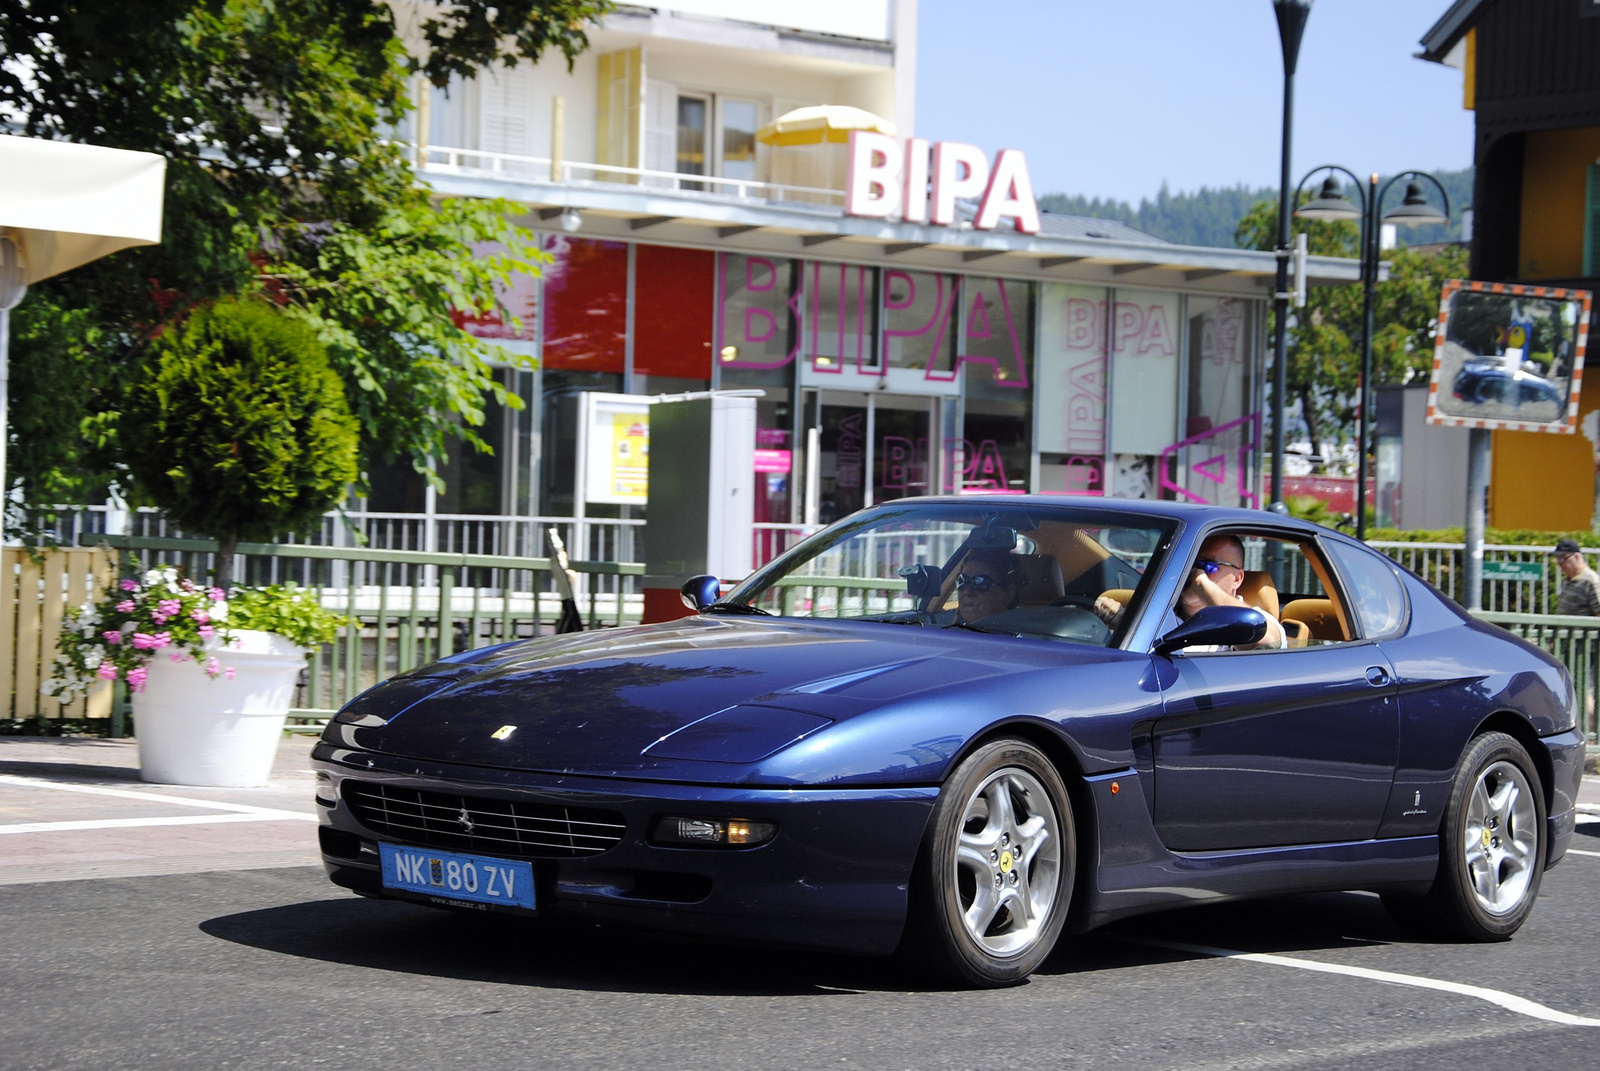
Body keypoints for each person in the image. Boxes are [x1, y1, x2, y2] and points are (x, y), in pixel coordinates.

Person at [1094, 533, 1285, 650]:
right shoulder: (1157, 615)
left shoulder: (1255, 619)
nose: (1194, 572)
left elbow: (1267, 641)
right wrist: (1124, 623)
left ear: (1237, 578)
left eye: (1209, 566)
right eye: (1190, 564)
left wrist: (1201, 584)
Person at [953, 547, 1021, 625]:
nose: (967, 591)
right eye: (962, 581)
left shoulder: (1021, 635)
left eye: (981, 583)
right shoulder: (948, 631)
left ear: (1009, 593)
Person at [1553, 538, 1600, 616]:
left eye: (1563, 559)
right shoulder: (1567, 581)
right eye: (1558, 560)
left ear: (1577, 557)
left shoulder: (1590, 581)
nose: (1560, 564)